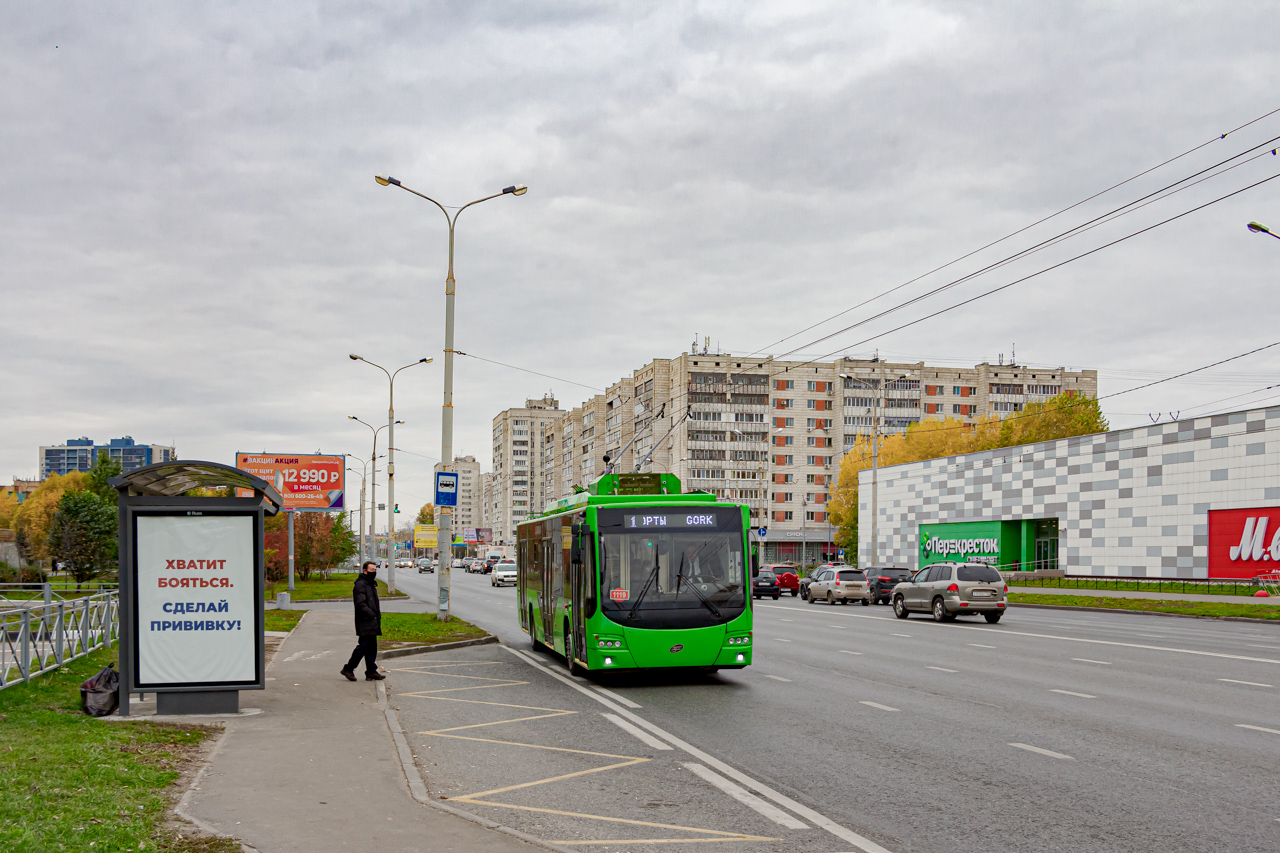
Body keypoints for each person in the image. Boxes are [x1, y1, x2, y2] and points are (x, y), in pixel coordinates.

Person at [341, 560, 384, 681]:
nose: (374, 572)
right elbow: (360, 603)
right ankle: (348, 668)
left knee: (372, 647)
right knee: (363, 647)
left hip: (372, 620)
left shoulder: (370, 583)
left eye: (375, 570)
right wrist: (371, 615)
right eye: (371, 570)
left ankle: (371, 671)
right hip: (365, 620)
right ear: (364, 571)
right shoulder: (361, 584)